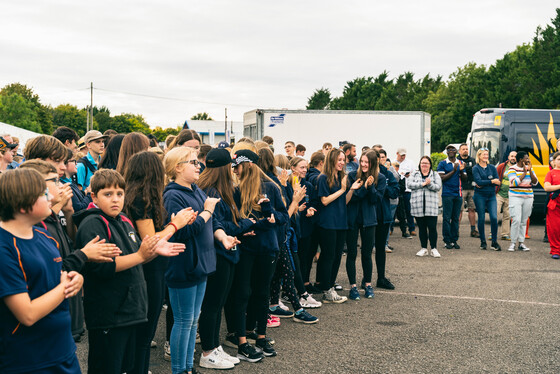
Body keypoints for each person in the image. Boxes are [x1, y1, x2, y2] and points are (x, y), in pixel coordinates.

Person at [74, 169, 185, 374]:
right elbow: (104, 266)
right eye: (108, 194)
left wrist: (151, 251)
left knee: (127, 366)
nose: (115, 199)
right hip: (109, 314)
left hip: (130, 310)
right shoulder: (93, 223)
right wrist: (142, 256)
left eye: (119, 194)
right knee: (107, 367)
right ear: (94, 197)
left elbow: (135, 257)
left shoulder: (124, 219)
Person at [0, 168, 83, 374]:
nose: (51, 197)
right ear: (21, 204)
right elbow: (26, 314)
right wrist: (64, 288)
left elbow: (57, 278)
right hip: (28, 360)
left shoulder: (44, 235)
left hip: (63, 351)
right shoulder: (4, 247)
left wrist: (75, 279)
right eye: (42, 193)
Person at [163, 146, 237, 374]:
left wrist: (223, 237)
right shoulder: (172, 195)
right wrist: (206, 212)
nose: (199, 166)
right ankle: (179, 369)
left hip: (201, 264)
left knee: (192, 321)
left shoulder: (195, 189)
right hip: (183, 266)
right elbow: (180, 231)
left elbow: (211, 223)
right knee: (184, 322)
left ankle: (187, 367)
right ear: (177, 167)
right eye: (193, 162)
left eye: (198, 162)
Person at [123, 151, 197, 374]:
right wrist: (176, 224)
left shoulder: (134, 196)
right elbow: (151, 242)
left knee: (139, 337)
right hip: (148, 272)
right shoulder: (141, 200)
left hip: (147, 270)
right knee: (144, 336)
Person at [197, 148, 254, 370]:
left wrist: (240, 225)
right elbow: (218, 225)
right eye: (230, 167)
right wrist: (247, 224)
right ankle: (208, 351)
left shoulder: (222, 188)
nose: (233, 170)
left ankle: (215, 347)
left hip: (227, 252)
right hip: (218, 254)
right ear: (222, 169)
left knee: (218, 303)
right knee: (212, 304)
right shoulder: (211, 191)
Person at [230, 149, 288, 361]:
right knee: (243, 292)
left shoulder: (271, 187)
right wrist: (243, 228)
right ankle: (242, 341)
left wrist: (271, 213)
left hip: (267, 248)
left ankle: (261, 336)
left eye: (238, 166)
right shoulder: (236, 189)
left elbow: (283, 216)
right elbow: (233, 220)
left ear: (250, 165)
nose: (235, 170)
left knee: (262, 293)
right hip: (245, 248)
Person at [345, 150, 386, 299]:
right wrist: (364, 188)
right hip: (353, 219)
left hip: (369, 220)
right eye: (362, 161)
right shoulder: (351, 176)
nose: (363, 164)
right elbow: (353, 198)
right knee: (352, 253)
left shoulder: (380, 178)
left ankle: (368, 284)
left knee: (367, 254)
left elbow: (376, 200)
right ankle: (353, 287)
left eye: (366, 162)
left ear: (373, 163)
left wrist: (371, 187)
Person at [316, 148, 349, 303]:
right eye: (339, 160)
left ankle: (330, 287)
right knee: (328, 256)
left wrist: (350, 189)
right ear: (332, 160)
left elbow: (344, 200)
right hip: (327, 223)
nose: (342, 163)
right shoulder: (323, 178)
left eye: (343, 160)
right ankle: (327, 289)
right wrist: (342, 189)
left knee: (336, 256)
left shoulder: (341, 176)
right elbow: (324, 200)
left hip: (341, 222)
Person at [374, 149, 399, 290]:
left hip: (384, 216)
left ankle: (381, 278)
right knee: (366, 250)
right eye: (379, 157)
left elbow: (395, 192)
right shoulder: (366, 173)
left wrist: (383, 188)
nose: (381, 160)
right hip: (369, 216)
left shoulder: (388, 174)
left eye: (383, 157)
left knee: (380, 249)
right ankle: (366, 280)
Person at [408, 156, 442, 258]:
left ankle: (434, 248)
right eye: (422, 163)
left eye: (426, 163)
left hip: (431, 206)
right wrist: (422, 184)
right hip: (418, 205)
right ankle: (423, 248)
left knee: (432, 228)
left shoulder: (435, 174)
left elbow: (438, 187)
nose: (424, 165)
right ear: (420, 164)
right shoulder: (414, 174)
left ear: (430, 165)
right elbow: (409, 184)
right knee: (421, 228)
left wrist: (429, 184)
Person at [506, 151, 538, 252]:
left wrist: (530, 171)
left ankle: (521, 243)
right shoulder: (512, 169)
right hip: (515, 197)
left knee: (524, 221)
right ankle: (513, 243)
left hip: (528, 197)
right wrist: (524, 173)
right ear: (520, 160)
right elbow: (514, 182)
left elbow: (535, 182)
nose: (528, 160)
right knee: (516, 220)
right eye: (526, 158)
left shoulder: (530, 168)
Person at [437, 145, 466, 249]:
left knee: (455, 218)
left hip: (458, 194)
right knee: (446, 218)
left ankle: (454, 240)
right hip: (447, 194)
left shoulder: (461, 163)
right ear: (446, 152)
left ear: (456, 151)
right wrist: (454, 171)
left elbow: (465, 178)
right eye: (448, 150)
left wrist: (461, 170)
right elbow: (442, 178)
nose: (451, 151)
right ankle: (447, 240)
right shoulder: (443, 163)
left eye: (453, 149)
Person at [472, 149, 501, 251]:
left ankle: (494, 242)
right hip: (480, 196)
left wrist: (487, 182)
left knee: (494, 218)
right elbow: (478, 181)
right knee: (481, 218)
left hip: (491, 196)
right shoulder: (475, 168)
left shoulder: (492, 167)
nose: (486, 156)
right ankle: (483, 241)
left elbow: (498, 181)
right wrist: (491, 181)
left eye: (487, 154)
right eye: (484, 154)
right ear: (479, 156)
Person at [457, 143, 479, 237]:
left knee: (472, 209)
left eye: (466, 149)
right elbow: (458, 171)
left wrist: (465, 168)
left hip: (472, 188)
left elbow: (474, 171)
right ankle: (456, 230)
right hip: (461, 188)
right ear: (459, 151)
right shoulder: (457, 160)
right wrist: (467, 169)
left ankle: (473, 230)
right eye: (463, 149)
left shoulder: (472, 160)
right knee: (459, 210)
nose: (465, 150)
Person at [495, 151, 517, 241]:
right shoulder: (502, 166)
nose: (513, 158)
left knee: (507, 215)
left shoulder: (517, 168)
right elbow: (495, 176)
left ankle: (505, 234)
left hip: (510, 195)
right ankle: (492, 233)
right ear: (508, 156)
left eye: (515, 156)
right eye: (511, 156)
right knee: (495, 214)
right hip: (499, 194)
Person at [396, 147, 416, 236]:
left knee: (409, 210)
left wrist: (409, 175)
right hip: (397, 189)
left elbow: (415, 173)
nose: (403, 157)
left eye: (404, 155)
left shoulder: (410, 162)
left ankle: (411, 228)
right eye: (401, 155)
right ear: (397, 154)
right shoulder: (393, 162)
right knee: (397, 210)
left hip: (407, 189)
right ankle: (391, 229)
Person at [544, 151, 560, 259]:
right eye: (559, 159)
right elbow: (547, 187)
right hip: (554, 205)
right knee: (554, 228)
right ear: (554, 161)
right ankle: (555, 250)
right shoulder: (550, 173)